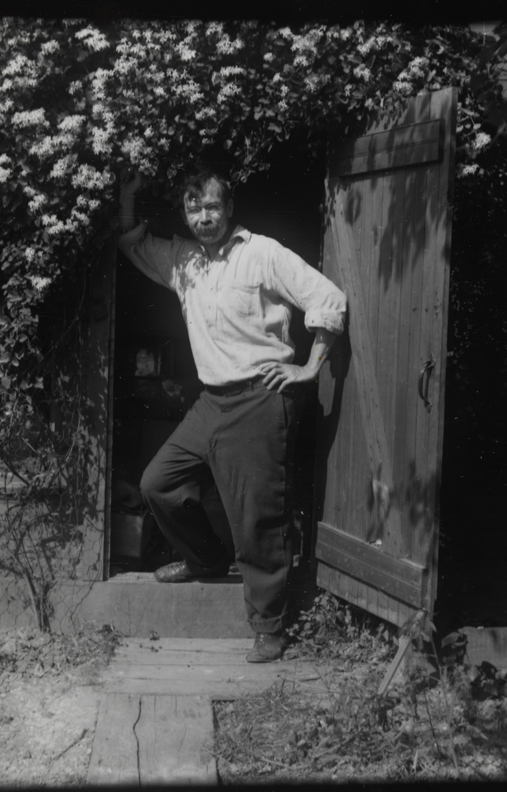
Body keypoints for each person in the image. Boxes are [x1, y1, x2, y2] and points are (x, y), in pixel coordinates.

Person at [117, 165, 347, 662]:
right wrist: (129, 195)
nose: (204, 218)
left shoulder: (262, 253)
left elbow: (328, 299)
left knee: (256, 517)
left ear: (229, 208)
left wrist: (310, 368)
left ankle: (269, 626)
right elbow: (133, 242)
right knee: (159, 483)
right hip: (211, 401)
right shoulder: (182, 260)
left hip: (260, 397)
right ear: (185, 214)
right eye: (194, 209)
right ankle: (206, 559)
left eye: (212, 207)